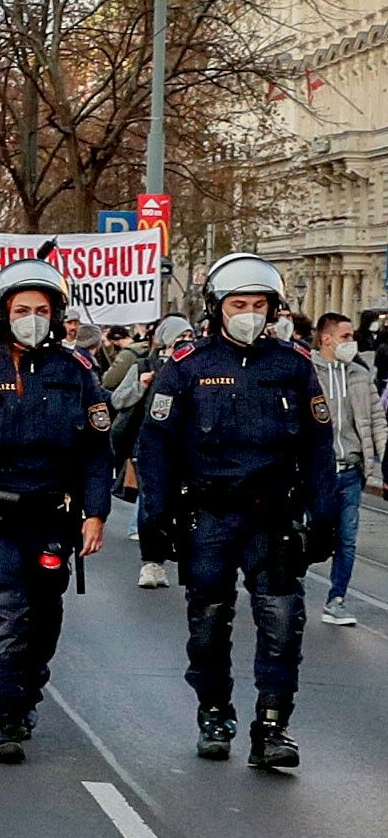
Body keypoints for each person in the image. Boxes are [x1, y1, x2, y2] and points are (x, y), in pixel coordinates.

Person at [136, 252, 336, 769]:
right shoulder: (187, 368)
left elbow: (318, 448)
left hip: (272, 518)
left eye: (259, 303)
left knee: (281, 620)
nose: (249, 312)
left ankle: (272, 726)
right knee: (208, 622)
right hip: (209, 516)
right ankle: (214, 712)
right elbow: (154, 446)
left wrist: (325, 517)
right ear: (217, 307)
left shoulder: (293, 367)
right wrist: (154, 517)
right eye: (238, 302)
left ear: (273, 309)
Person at [0, 258, 111, 763]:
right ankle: (4, 712)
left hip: (53, 516)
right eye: (22, 308)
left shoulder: (77, 372)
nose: (32, 317)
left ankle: (28, 688)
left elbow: (98, 449)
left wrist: (96, 512)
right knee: (3, 610)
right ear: (4, 312)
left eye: (42, 309)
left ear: (56, 315)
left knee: (44, 616)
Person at [310, 313, 385, 627]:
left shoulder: (359, 374)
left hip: (352, 471)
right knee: (311, 535)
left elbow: (377, 420)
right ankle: (290, 590)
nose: (351, 342)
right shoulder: (307, 373)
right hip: (317, 474)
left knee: (348, 539)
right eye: (345, 336)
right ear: (326, 339)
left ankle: (336, 599)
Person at [110, 314, 192, 588]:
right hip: (148, 446)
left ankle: (174, 557)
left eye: (189, 336)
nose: (185, 342)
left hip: (186, 449)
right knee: (150, 504)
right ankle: (151, 562)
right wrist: (140, 385)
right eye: (180, 337)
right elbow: (118, 399)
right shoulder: (145, 365)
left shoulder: (196, 366)